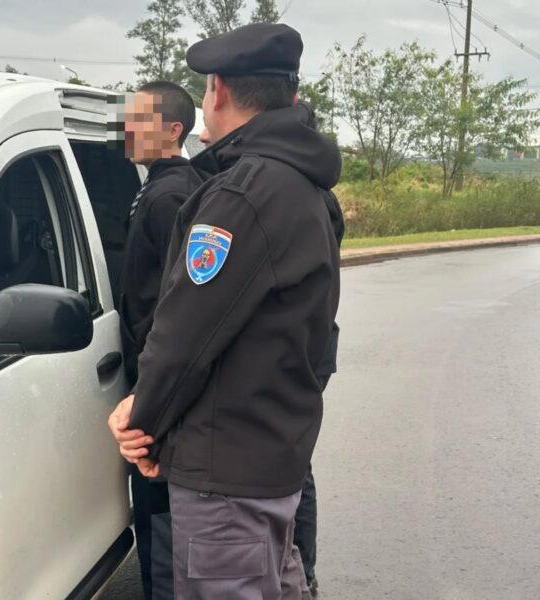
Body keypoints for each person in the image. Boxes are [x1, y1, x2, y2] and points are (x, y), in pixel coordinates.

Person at [109, 23, 341, 599]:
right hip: (270, 455)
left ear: (217, 90)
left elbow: (185, 334)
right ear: (290, 95)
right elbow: (318, 341)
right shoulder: (307, 186)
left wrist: (143, 421)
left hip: (226, 474)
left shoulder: (243, 194)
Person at [118, 81, 202, 600]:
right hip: (152, 374)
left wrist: (151, 384)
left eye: (138, 120)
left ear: (172, 130)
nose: (126, 129)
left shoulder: (172, 196)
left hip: (159, 382)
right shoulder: (159, 186)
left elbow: (181, 301)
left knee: (161, 511)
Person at [291, 100, 345, 596]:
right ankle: (300, 566)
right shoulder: (319, 194)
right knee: (294, 459)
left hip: (305, 348)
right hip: (315, 342)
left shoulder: (310, 200)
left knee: (294, 462)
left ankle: (302, 568)